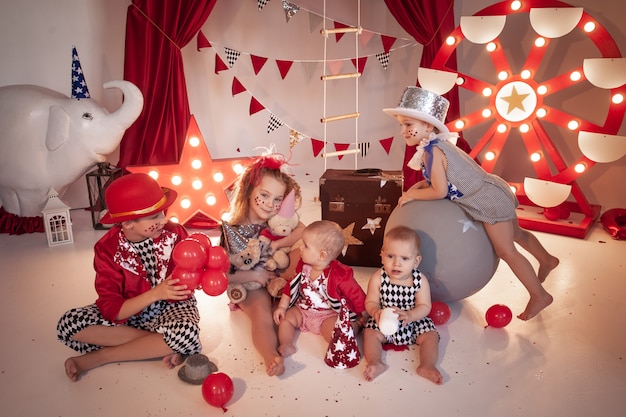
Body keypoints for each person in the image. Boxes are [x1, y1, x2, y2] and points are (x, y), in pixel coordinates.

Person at [383, 86, 559, 320]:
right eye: (401, 125)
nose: (403, 130)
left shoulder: (432, 152)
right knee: (517, 233)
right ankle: (547, 259)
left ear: (427, 126)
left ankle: (539, 295)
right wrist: (416, 188)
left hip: (486, 202)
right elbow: (437, 180)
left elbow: (439, 190)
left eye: (408, 124)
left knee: (506, 250)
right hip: (493, 191)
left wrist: (412, 196)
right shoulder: (435, 145)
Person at [57, 173, 201, 382]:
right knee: (67, 324)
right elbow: (110, 309)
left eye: (162, 213)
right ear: (128, 224)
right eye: (154, 217)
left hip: (172, 307)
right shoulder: (107, 249)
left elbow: (189, 278)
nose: (164, 220)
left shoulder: (176, 233)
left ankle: (100, 357)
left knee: (186, 332)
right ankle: (163, 345)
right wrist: (154, 293)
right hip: (130, 311)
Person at [223, 151, 305, 376]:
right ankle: (271, 355)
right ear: (250, 191)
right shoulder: (233, 227)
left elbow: (303, 230)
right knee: (262, 314)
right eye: (265, 195)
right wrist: (254, 277)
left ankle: (312, 296)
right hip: (246, 281)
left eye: (277, 199)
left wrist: (278, 246)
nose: (271, 204)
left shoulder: (276, 220)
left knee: (305, 249)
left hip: (273, 272)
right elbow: (222, 276)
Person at [273, 220, 367, 359]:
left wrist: (365, 314)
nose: (300, 248)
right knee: (286, 319)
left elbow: (355, 294)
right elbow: (291, 286)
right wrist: (282, 306)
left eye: (305, 246)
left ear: (322, 255)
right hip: (304, 310)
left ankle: (355, 327)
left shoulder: (338, 274)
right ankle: (287, 344)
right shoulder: (303, 265)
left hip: (328, 315)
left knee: (336, 334)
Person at [363, 226, 441, 384]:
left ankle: (427, 365)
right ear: (382, 256)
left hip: (412, 321)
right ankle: (376, 362)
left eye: (405, 258)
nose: (396, 263)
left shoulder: (420, 280)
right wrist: (375, 312)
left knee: (430, 336)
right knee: (370, 333)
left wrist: (411, 315)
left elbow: (425, 306)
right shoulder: (378, 278)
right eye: (391, 256)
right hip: (384, 320)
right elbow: (370, 301)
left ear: (416, 261)